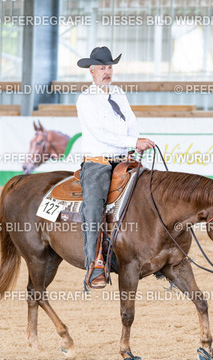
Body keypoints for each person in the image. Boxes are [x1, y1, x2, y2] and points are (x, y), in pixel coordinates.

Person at [76, 46, 155, 289]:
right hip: (97, 163)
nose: (107, 71)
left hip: (122, 159)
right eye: (102, 67)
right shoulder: (86, 99)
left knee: (151, 192)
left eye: (109, 67)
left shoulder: (119, 93)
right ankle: (95, 264)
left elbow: (131, 121)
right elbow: (100, 133)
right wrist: (132, 142)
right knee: (94, 207)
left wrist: (134, 142)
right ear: (91, 71)